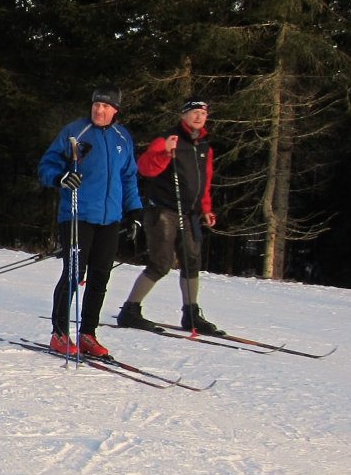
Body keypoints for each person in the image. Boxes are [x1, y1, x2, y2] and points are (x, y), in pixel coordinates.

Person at [38, 84, 142, 358]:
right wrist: (61, 177)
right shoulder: (75, 131)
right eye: (96, 104)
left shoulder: (122, 137)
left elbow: (129, 177)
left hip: (110, 218)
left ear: (115, 110)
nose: (99, 110)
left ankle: (88, 334)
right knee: (74, 273)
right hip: (77, 214)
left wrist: (134, 211)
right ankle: (59, 333)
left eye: (105, 106)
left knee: (100, 276)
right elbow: (47, 165)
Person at [117, 97, 224, 336]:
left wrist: (206, 208)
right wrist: (165, 153)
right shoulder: (168, 139)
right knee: (161, 262)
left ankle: (191, 313)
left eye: (203, 113)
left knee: (192, 260)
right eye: (194, 112)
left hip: (190, 212)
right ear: (183, 115)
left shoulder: (204, 147)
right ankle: (130, 310)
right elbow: (145, 167)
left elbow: (204, 181)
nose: (199, 117)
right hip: (163, 210)